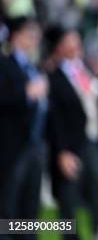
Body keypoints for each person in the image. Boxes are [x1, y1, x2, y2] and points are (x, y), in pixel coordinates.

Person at [46, 26, 98, 240]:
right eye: (70, 41)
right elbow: (55, 118)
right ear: (59, 46)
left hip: (91, 139)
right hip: (69, 144)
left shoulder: (84, 71)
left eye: (77, 41)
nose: (76, 46)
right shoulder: (53, 76)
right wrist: (62, 151)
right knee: (68, 196)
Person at [0, 17, 48, 240]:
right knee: (9, 202)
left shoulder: (34, 67)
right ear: (17, 35)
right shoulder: (4, 64)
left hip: (35, 144)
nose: (35, 39)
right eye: (30, 33)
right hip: (12, 145)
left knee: (31, 203)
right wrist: (26, 93)